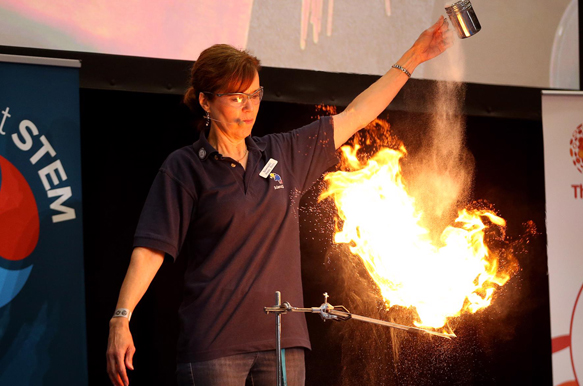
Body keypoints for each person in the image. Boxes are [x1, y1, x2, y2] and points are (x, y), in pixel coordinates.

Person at [106, 16, 453, 386]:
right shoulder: (185, 167)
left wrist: (415, 56)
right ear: (206, 101)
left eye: (254, 95)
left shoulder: (282, 153)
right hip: (214, 344)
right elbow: (151, 250)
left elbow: (357, 114)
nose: (249, 107)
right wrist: (121, 317)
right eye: (236, 97)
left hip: (284, 343)